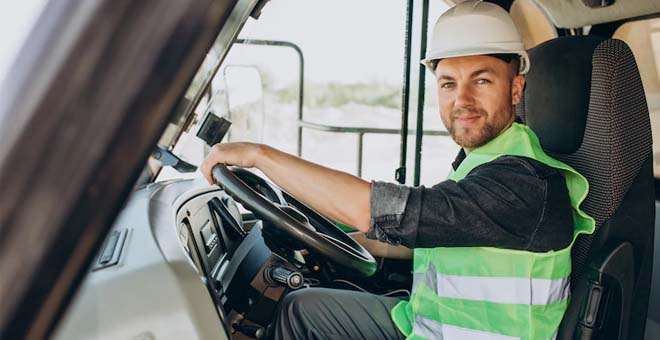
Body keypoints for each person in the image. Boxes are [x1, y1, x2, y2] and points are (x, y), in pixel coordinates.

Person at [201, 1, 595, 339]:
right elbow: (425, 233)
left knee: (295, 311)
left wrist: (259, 155)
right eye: (448, 84)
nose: (463, 100)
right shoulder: (486, 164)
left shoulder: (525, 183)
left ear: (515, 89)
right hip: (433, 325)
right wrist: (339, 240)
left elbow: (385, 210)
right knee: (303, 307)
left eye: (482, 80)